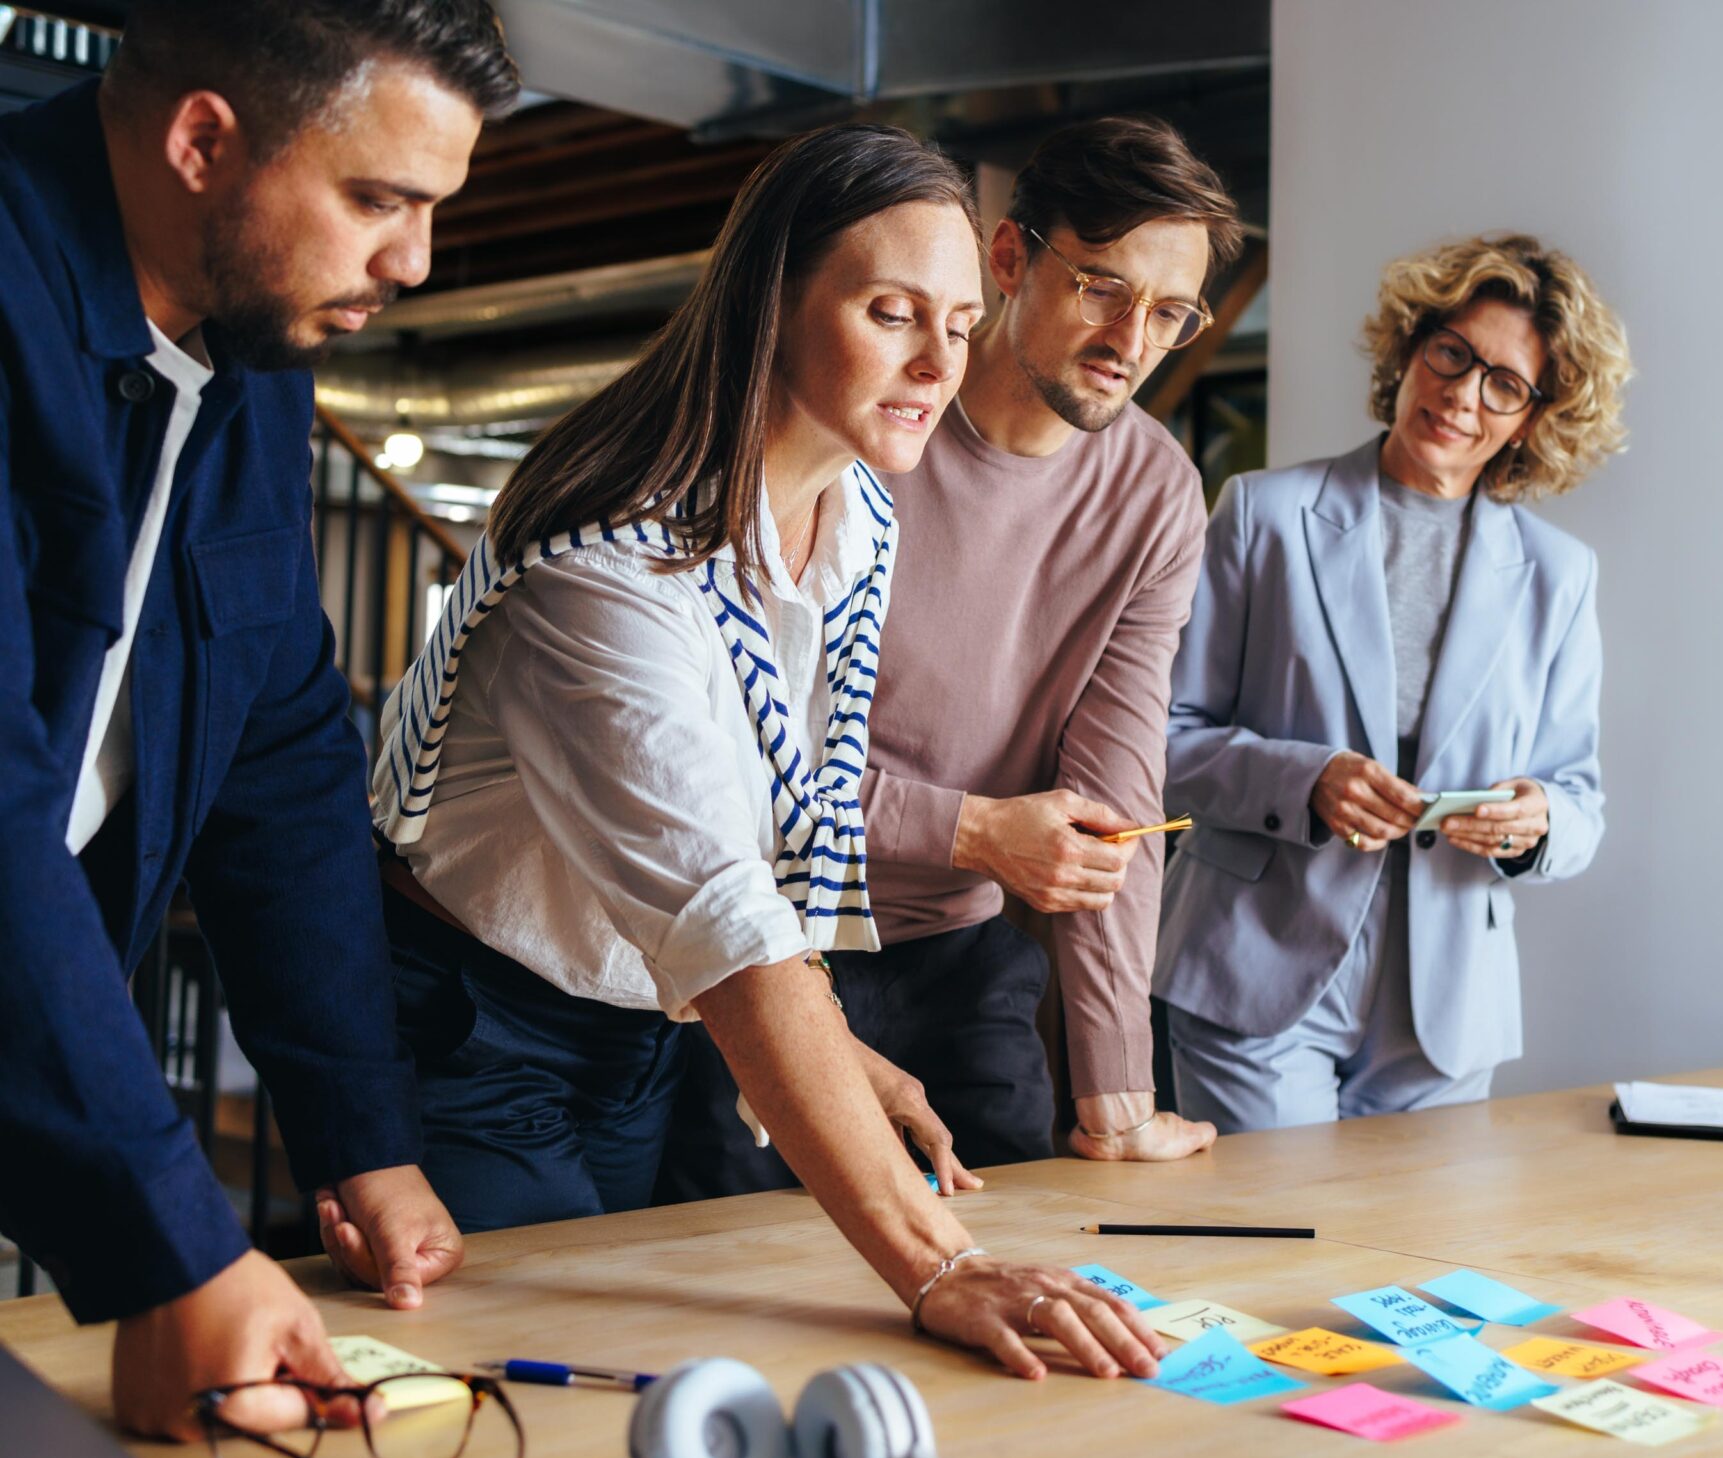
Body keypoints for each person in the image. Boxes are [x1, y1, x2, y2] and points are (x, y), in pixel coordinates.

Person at [369, 122, 1165, 1384]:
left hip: (641, 1020)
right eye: (891, 312)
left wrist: (838, 1048)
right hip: (471, 1021)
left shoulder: (854, 515)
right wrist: (941, 1266)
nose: (936, 363)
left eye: (961, 324)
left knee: (632, 1367)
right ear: (770, 299)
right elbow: (722, 911)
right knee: (520, 1382)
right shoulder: (610, 561)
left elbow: (775, 800)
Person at [0, 0, 517, 1442]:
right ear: (202, 141)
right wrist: (182, 1246)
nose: (414, 260)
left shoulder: (250, 364)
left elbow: (281, 758)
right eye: (378, 199)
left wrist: (362, 1135)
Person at [661, 115, 1240, 1204]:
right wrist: (971, 828)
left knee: (1023, 1239)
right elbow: (734, 758)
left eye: (1170, 312)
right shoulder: (857, 422)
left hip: (961, 950)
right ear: (1010, 257)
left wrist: (1116, 1088)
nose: (1132, 339)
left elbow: (1115, 806)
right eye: (1104, 289)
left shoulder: (1158, 491)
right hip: (766, 935)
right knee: (747, 1259)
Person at [1155, 233, 1631, 1131]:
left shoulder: (1558, 574)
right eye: (1452, 353)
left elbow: (1580, 801)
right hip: (1255, 964)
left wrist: (1537, 819)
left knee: (1417, 1227)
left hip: (1445, 1006)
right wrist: (1306, 780)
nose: (1462, 393)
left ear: (1534, 418)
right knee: (1282, 1216)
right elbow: (1165, 740)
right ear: (1410, 347)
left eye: (1504, 383)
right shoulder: (1263, 515)